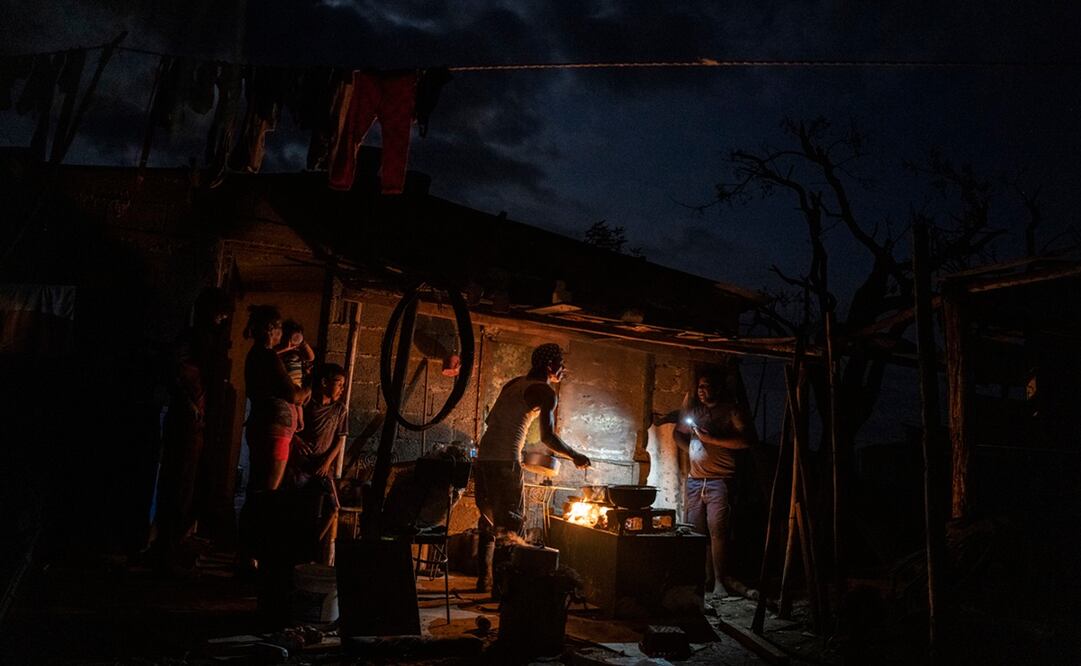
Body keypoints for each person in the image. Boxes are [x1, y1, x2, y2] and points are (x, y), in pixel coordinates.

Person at [474, 342, 591, 592]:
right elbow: (548, 437)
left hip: (483, 458)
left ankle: (483, 581)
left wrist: (518, 441)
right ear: (549, 366)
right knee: (510, 527)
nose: (563, 369)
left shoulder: (514, 384)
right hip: (505, 462)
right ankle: (502, 592)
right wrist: (575, 455)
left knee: (488, 520)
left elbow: (492, 420)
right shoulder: (546, 392)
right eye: (560, 363)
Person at [154, 287, 231, 573]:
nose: (221, 320)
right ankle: (167, 546)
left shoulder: (206, 341)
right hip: (189, 421)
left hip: (199, 421)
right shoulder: (192, 340)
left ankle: (174, 542)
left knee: (189, 483)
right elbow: (177, 372)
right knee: (179, 482)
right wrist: (191, 405)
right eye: (219, 314)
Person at [674, 369, 755, 598]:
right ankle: (702, 579)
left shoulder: (731, 411)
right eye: (699, 387)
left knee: (717, 532)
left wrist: (711, 440)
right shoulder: (695, 412)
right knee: (696, 532)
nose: (701, 391)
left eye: (706, 386)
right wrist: (692, 449)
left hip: (719, 481)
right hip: (695, 481)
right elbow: (678, 433)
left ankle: (720, 581)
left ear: (718, 388)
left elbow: (747, 441)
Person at [243, 305, 310, 492]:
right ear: (270, 329)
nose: (282, 332)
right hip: (275, 431)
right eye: (280, 327)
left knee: (258, 486)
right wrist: (309, 388)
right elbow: (293, 395)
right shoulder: (267, 356)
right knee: (267, 491)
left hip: (263, 426)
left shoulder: (257, 354)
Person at [275, 319, 315, 433]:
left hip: (297, 385)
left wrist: (303, 343)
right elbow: (272, 355)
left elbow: (311, 357)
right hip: (286, 384)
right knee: (293, 402)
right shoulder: (280, 351)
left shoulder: (297, 353)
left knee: (299, 405)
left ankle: (300, 421)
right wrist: (285, 348)